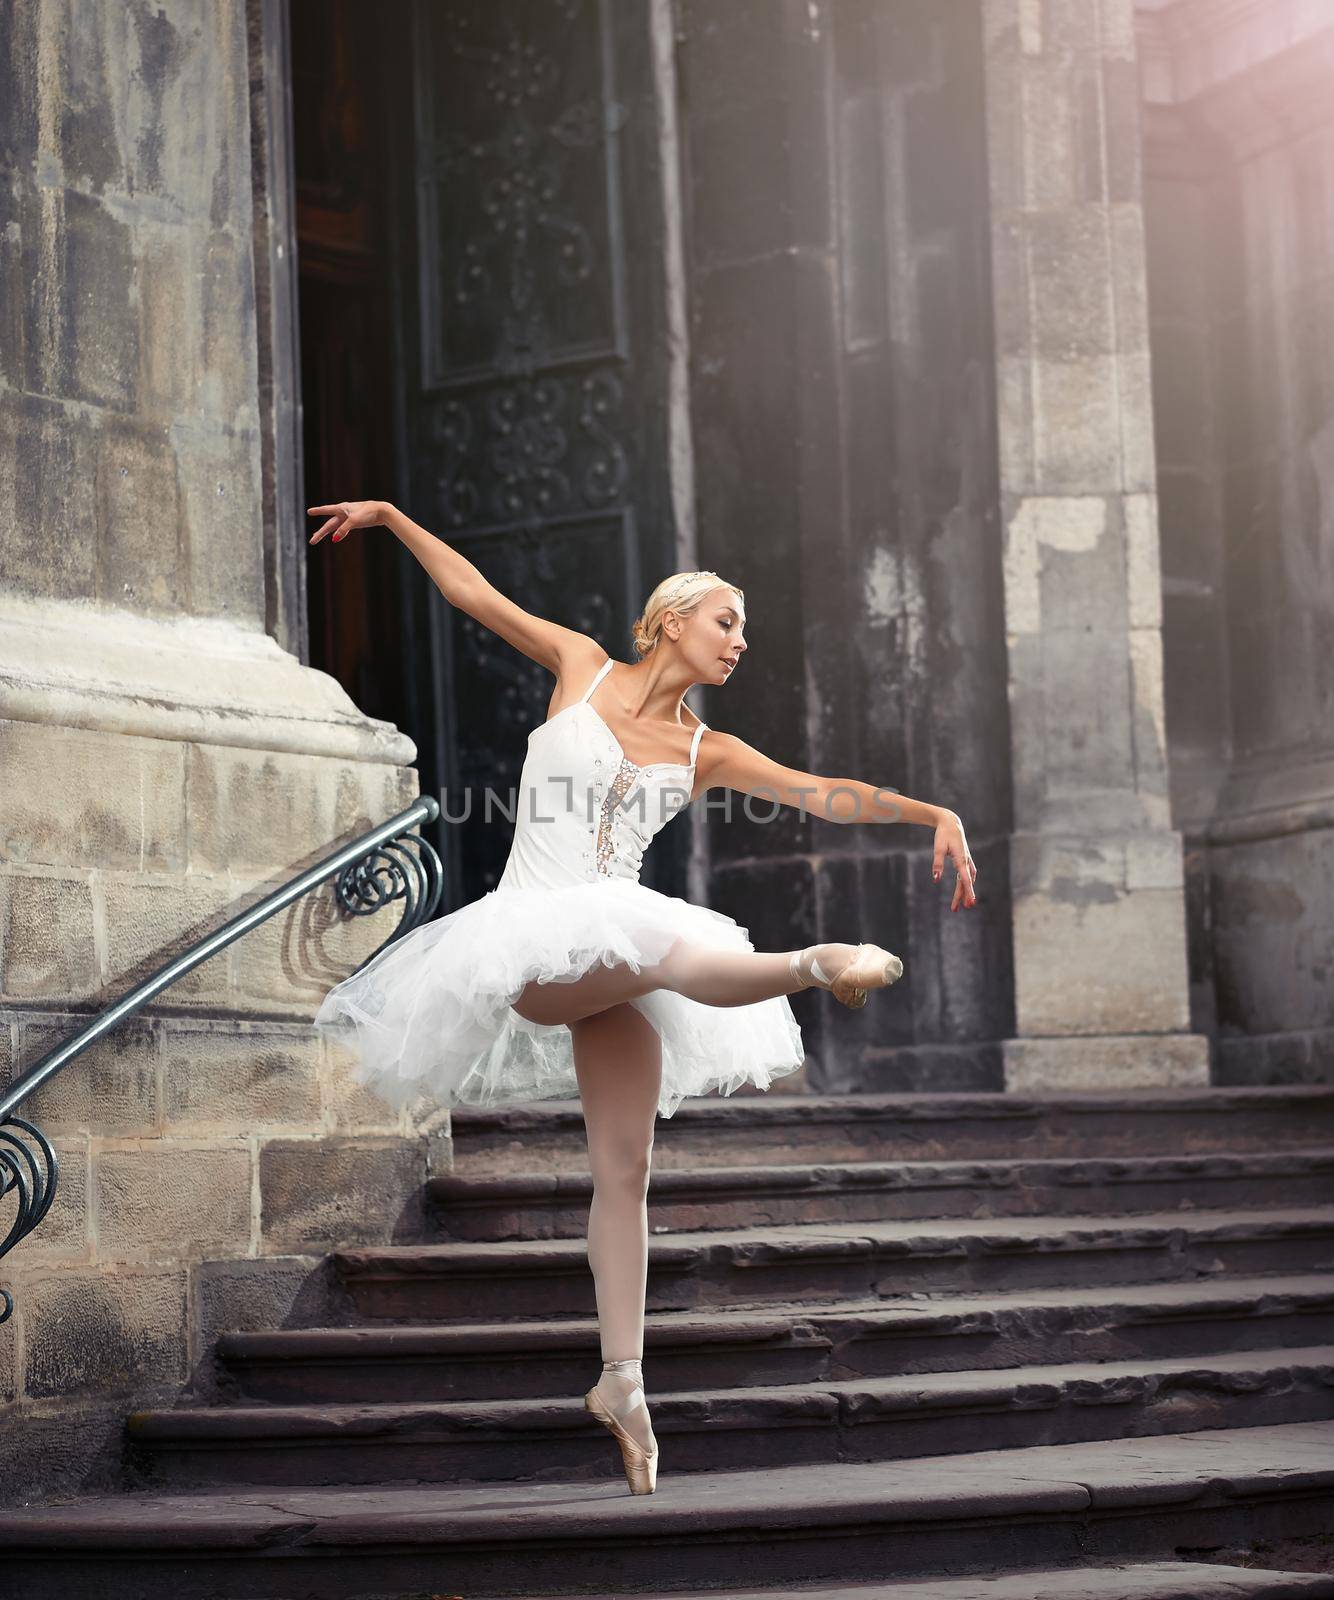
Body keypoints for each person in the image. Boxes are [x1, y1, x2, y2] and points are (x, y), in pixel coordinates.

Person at [306, 499, 979, 1495]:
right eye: (726, 623)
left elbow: (822, 790)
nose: (739, 641)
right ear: (670, 620)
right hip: (533, 942)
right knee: (669, 941)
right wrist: (393, 517)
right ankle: (813, 960)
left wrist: (935, 811)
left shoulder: (708, 751)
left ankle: (621, 1380)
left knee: (626, 1168)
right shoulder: (580, 665)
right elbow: (472, 593)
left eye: (742, 631)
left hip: (618, 959)